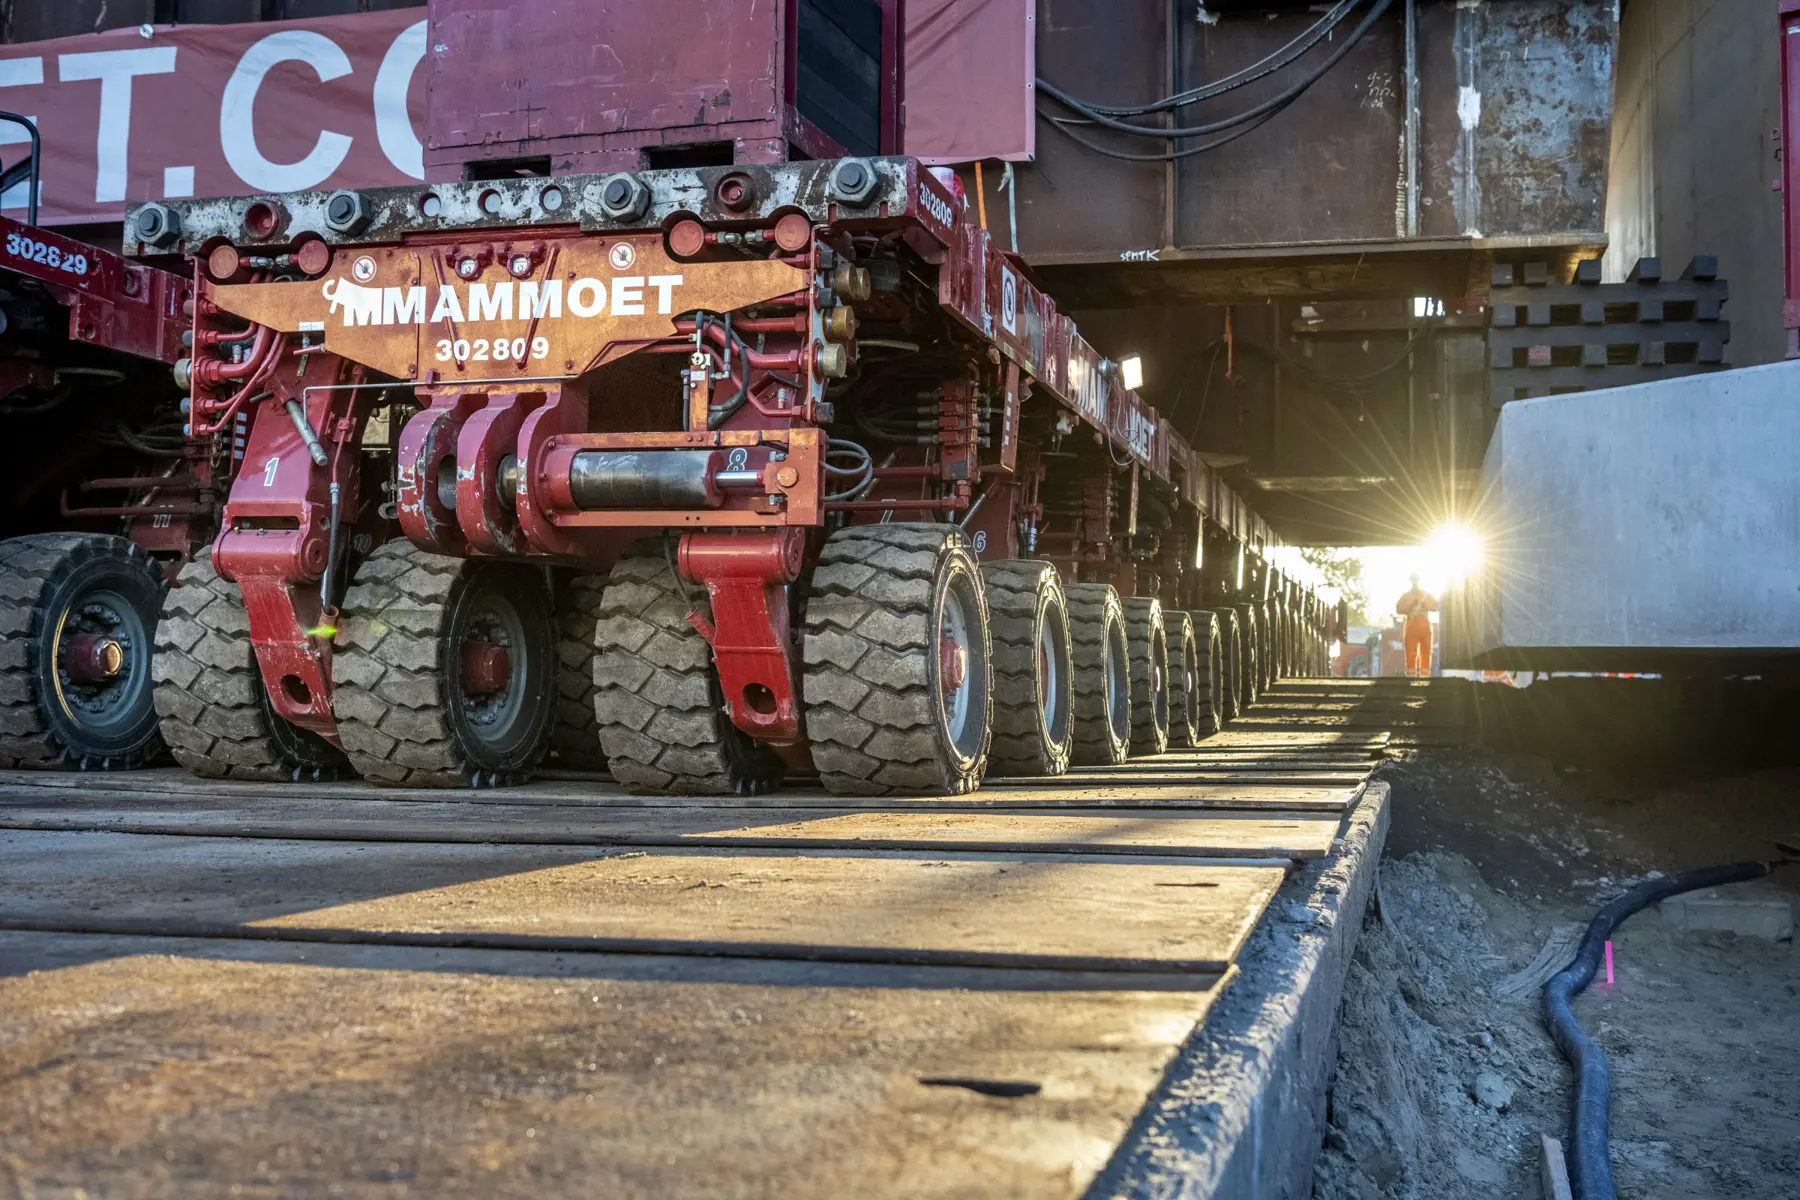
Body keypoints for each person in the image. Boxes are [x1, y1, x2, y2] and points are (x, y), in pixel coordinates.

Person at [1395, 574, 1438, 677]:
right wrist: (1410, 606)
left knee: (1426, 651)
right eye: (1413, 580)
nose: (1414, 582)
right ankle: (1411, 676)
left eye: (1416, 580)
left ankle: (1424, 675)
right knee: (1410, 652)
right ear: (1411, 581)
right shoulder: (1405, 596)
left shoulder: (1426, 595)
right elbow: (1398, 609)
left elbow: (1436, 606)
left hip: (1424, 624)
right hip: (1412, 624)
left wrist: (1425, 605)